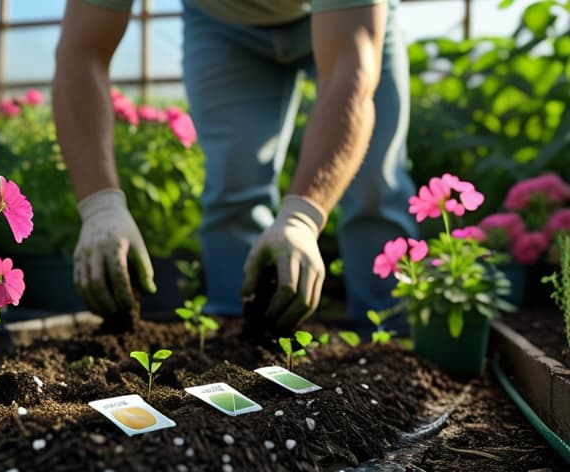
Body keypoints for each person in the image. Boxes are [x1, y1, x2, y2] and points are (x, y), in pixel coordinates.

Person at [52, 0, 417, 331]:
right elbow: (82, 52)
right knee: (234, 180)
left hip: (351, 18)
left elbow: (348, 71)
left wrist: (302, 217)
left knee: (374, 185)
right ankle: (238, 341)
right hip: (221, 23)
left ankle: (388, 335)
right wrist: (101, 205)